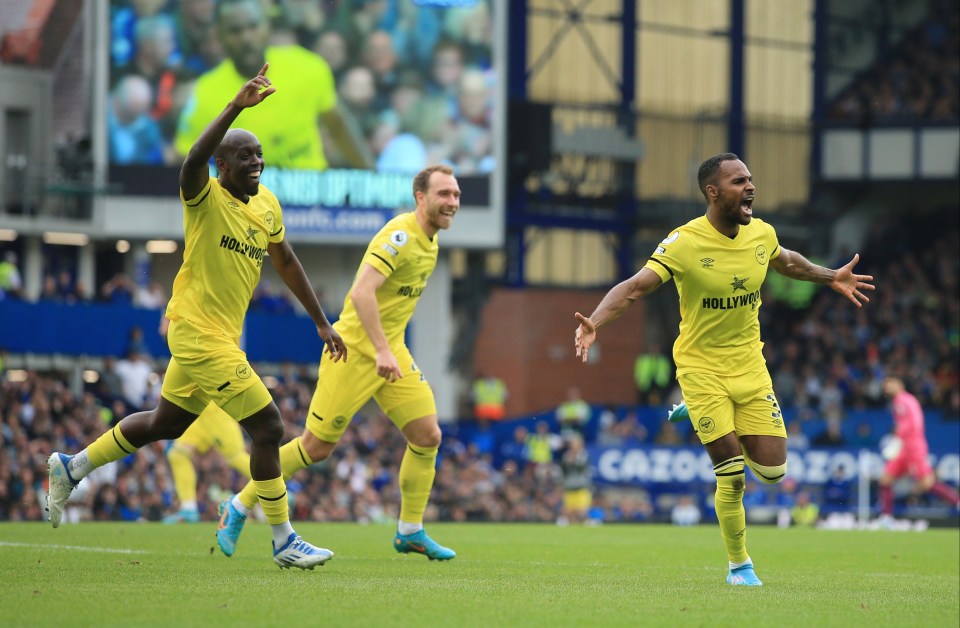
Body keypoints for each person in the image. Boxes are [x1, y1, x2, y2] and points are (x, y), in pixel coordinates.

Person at [46, 65, 347, 570]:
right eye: (244, 155)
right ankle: (283, 539)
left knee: (165, 424)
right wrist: (234, 106)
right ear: (223, 166)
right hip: (197, 333)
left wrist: (321, 321)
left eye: (258, 154)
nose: (257, 162)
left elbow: (287, 262)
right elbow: (191, 160)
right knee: (270, 428)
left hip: (219, 336)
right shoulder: (203, 199)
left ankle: (71, 467)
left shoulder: (267, 205)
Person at [573, 152, 875, 586]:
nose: (749, 187)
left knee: (772, 472)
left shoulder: (762, 234)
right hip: (700, 368)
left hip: (750, 365)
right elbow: (636, 287)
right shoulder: (684, 242)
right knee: (732, 472)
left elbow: (788, 261)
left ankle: (694, 412)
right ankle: (740, 565)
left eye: (750, 179)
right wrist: (595, 322)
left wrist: (832, 277)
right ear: (713, 192)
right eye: (738, 182)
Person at [215, 164, 461, 561]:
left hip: (390, 351)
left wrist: (387, 349)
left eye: (455, 195)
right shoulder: (400, 236)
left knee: (427, 436)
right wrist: (380, 349)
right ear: (421, 197)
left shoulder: (430, 242)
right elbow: (362, 294)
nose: (452, 202)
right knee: (315, 448)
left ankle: (410, 530)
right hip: (355, 352)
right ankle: (238, 506)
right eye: (444, 194)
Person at [174, 0, 371, 170]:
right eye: (235, 31)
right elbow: (185, 158)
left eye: (253, 26)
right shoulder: (205, 92)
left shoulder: (308, 67)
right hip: (247, 203)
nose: (246, 38)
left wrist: (372, 173)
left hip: (311, 202)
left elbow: (337, 124)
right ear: (220, 37)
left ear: (267, 27)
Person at [878, 376, 960, 518]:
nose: (888, 387)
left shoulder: (902, 401)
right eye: (886, 386)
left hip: (913, 448)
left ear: (899, 383)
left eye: (889, 383)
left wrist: (897, 440)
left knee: (927, 482)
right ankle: (886, 519)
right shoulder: (905, 400)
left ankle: (957, 501)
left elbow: (910, 425)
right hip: (905, 448)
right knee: (885, 479)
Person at [163, 401, 252, 524]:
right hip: (199, 413)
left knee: (235, 457)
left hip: (215, 410)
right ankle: (188, 510)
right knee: (178, 454)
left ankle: (276, 487)